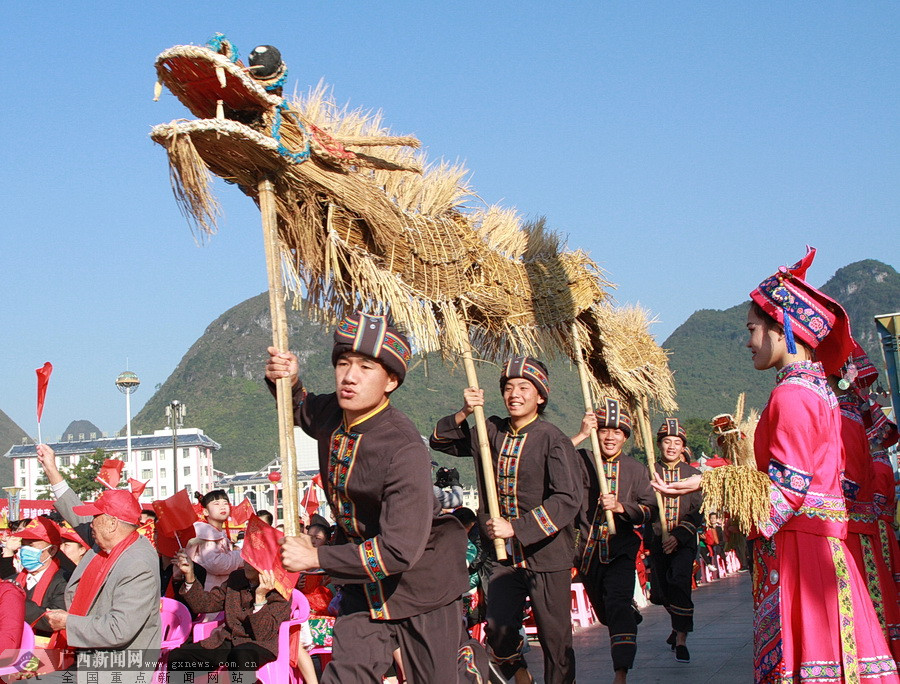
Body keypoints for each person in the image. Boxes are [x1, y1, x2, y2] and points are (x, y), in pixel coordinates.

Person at [655, 248, 898, 683]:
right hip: (821, 546)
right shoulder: (817, 391)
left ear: (783, 328)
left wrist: (706, 483)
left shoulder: (793, 395)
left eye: (752, 329)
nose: (748, 341)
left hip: (803, 552)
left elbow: (784, 494)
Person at [270, 311, 470, 684]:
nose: (349, 376)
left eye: (365, 367)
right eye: (343, 363)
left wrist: (316, 557)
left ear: (391, 381)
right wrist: (288, 379)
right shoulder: (335, 411)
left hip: (422, 587)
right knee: (345, 677)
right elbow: (299, 408)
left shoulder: (403, 447)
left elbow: (398, 551)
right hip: (363, 588)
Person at [431, 356, 583, 684]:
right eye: (508, 387)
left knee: (555, 639)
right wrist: (465, 411)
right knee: (498, 629)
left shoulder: (551, 438)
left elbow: (567, 498)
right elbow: (439, 441)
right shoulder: (490, 430)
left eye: (524, 388)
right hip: (503, 556)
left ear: (540, 396)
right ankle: (520, 673)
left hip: (547, 555)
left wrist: (518, 527)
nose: (514, 393)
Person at [35, 444, 161, 682]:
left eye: (95, 517)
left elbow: (119, 629)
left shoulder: (137, 564)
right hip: (87, 653)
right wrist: (51, 468)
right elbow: (74, 512)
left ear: (112, 523)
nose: (90, 523)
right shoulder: (107, 542)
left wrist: (67, 622)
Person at [569, 398, 657, 684]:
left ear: (625, 437)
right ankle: (625, 612)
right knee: (606, 613)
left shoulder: (635, 469)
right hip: (586, 553)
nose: (609, 436)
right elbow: (548, 458)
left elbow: (649, 508)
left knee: (617, 605)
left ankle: (621, 671)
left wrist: (621, 507)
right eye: (604, 430)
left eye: (617, 432)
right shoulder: (582, 459)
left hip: (620, 550)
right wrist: (582, 434)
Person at [167, 551, 290, 675]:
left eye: (252, 562)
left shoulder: (281, 590)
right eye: (246, 559)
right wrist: (189, 575)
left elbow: (264, 634)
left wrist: (260, 596)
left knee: (240, 656)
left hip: (261, 645)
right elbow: (204, 604)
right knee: (178, 657)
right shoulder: (236, 578)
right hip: (228, 640)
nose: (246, 564)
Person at [644, 419, 702, 663]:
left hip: (684, 543)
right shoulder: (648, 471)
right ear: (659, 445)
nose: (671, 446)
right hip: (657, 541)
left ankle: (681, 640)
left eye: (676, 442)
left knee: (679, 583)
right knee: (660, 593)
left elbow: (698, 509)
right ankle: (676, 624)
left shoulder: (694, 475)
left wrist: (678, 537)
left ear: (682, 447)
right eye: (667, 441)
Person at [0, 516, 70, 637]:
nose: (25, 550)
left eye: (31, 546)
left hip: (47, 651)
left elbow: (52, 621)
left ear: (52, 550)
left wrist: (12, 600)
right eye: (23, 544)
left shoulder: (64, 581)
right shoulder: (10, 581)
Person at [187, 490, 244, 590]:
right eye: (216, 504)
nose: (222, 507)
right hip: (210, 591)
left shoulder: (218, 534)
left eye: (225, 503)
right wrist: (242, 556)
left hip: (219, 589)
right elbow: (217, 564)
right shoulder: (206, 535)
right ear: (205, 511)